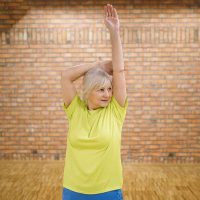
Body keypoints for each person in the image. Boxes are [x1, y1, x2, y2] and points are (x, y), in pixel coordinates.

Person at [61, 4, 128, 200]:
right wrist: (97, 66)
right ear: (88, 91)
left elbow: (119, 70)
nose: (108, 93)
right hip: (73, 190)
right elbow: (65, 76)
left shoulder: (115, 111)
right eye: (101, 89)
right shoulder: (75, 111)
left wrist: (114, 32)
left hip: (107, 191)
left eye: (109, 88)